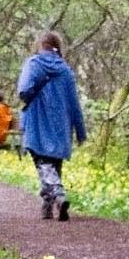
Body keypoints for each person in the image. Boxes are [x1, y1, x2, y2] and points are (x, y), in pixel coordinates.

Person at [17, 31, 86, 220]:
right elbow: (74, 103)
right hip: (61, 123)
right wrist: (80, 131)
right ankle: (47, 207)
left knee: (42, 162)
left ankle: (58, 194)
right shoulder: (66, 70)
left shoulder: (33, 63)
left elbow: (23, 91)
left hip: (37, 119)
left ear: (41, 45)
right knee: (54, 163)